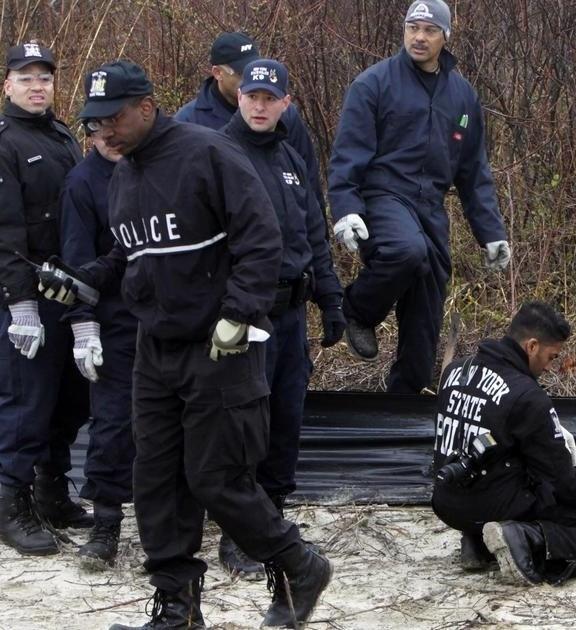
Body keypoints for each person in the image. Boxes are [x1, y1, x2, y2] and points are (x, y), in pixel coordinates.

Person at [41, 60, 331, 629]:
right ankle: (177, 608)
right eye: (93, 125)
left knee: (215, 479)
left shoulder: (209, 154)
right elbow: (132, 255)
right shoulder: (123, 177)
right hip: (157, 348)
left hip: (219, 347)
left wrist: (239, 312)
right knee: (154, 482)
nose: (102, 133)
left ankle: (297, 564)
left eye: (112, 120)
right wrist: (84, 280)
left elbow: (261, 235)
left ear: (146, 106)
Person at [328, 0, 511, 393]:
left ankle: (405, 401)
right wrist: (345, 208)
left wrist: (491, 231)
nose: (419, 37)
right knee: (406, 251)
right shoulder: (374, 84)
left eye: (429, 30)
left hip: (430, 206)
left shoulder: (462, 96)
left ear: (446, 36)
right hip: (384, 195)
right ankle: (357, 310)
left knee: (428, 300)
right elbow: (347, 153)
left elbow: (473, 172)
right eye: (413, 28)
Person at [220, 58, 346, 575]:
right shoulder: (219, 155)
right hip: (245, 315)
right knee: (242, 424)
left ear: (285, 104)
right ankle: (237, 533)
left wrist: (331, 297)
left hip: (291, 315)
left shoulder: (292, 158)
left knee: (285, 420)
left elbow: (313, 233)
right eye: (252, 96)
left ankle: (272, 518)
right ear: (239, 97)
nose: (260, 105)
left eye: (271, 99)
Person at [431, 301, 576, 585]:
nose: (549, 367)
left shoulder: (455, 371)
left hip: (446, 503)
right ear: (531, 346)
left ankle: (476, 540)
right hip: (491, 505)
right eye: (552, 357)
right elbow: (564, 483)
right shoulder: (527, 396)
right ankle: (527, 538)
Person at [0, 41, 92, 557]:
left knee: (70, 401)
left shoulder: (61, 136)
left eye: (45, 78)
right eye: (26, 77)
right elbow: (5, 232)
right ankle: (9, 504)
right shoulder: (5, 142)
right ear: (7, 85)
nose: (38, 86)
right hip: (25, 300)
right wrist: (21, 307)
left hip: (68, 294)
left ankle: (51, 491)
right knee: (25, 405)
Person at [59, 128, 135, 568]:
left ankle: (178, 514)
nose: (110, 135)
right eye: (98, 127)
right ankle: (106, 523)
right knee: (112, 424)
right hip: (113, 320)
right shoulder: (83, 183)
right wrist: (83, 323)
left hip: (165, 316)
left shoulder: (155, 167)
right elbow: (76, 259)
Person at [175, 31, 324, 209]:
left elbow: (309, 182)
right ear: (217, 72)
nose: (251, 78)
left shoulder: (285, 113)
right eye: (241, 72)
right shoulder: (189, 122)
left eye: (253, 69)